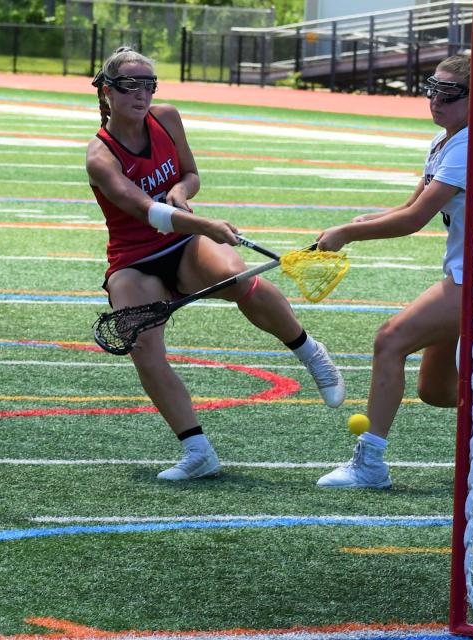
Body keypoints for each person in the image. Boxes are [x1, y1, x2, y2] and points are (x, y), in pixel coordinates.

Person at [85, 46, 345, 481]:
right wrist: (202, 223)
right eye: (130, 85)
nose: (141, 93)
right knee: (145, 349)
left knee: (233, 275)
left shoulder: (166, 117)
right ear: (107, 91)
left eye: (148, 84)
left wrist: (184, 195)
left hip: (184, 241)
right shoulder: (100, 155)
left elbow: (191, 174)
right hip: (136, 258)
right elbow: (144, 210)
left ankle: (310, 352)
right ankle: (198, 451)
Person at [314, 54, 473, 489]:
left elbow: (414, 221)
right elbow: (409, 206)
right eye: (431, 89)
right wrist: (361, 221)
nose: (436, 101)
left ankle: (370, 464)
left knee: (390, 339)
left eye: (448, 94)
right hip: (472, 271)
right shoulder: (446, 140)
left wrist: (347, 235)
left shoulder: (469, 145)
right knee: (437, 389)